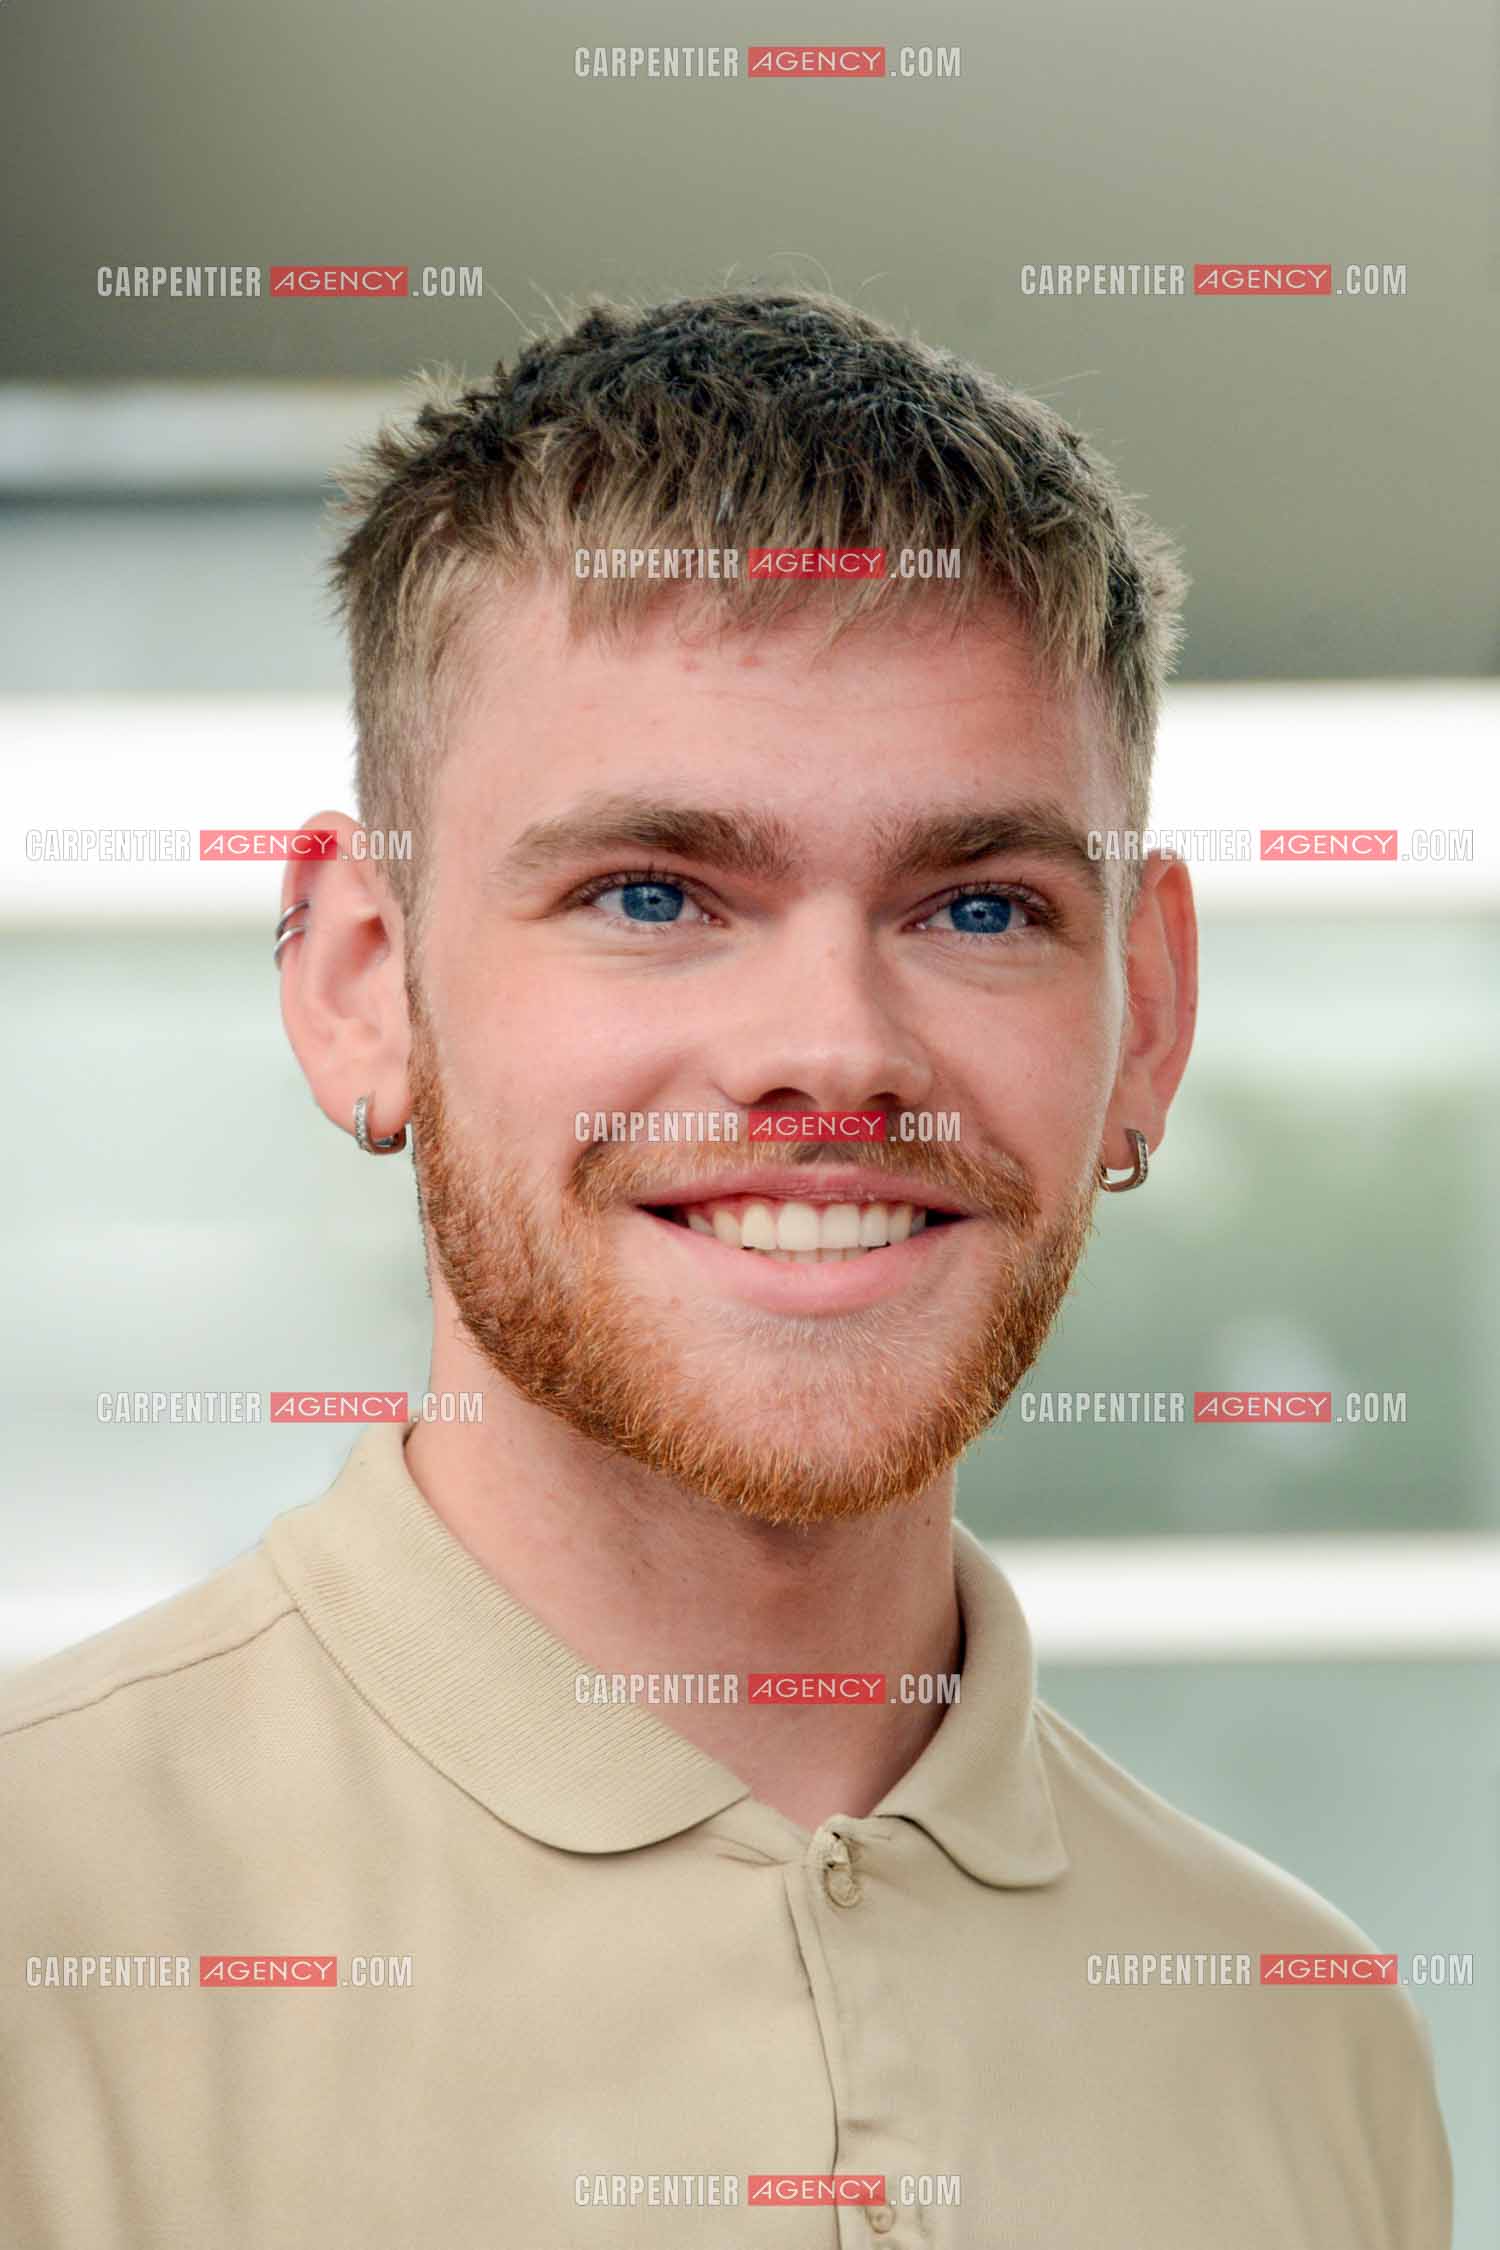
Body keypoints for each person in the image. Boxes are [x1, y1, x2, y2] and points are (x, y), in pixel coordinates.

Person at [0, 288, 1450, 2246]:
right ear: (362, 984)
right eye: (655, 893)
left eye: (980, 904)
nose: (835, 1049)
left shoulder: (1310, 2049)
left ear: (1150, 1009)